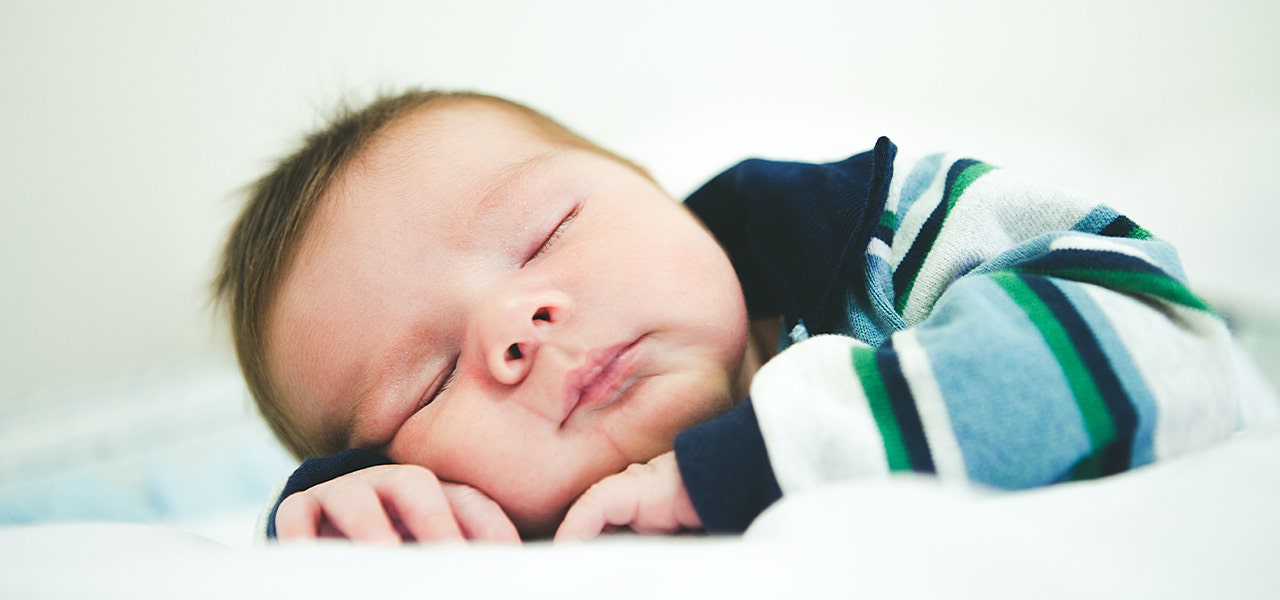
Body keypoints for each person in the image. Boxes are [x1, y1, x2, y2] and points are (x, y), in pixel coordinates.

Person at [215, 89, 1262, 545]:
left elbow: (1156, 335)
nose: (514, 326)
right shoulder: (517, 513)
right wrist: (356, 515)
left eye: (543, 234)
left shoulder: (892, 233)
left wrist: (759, 456)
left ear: (654, 191)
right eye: (430, 379)